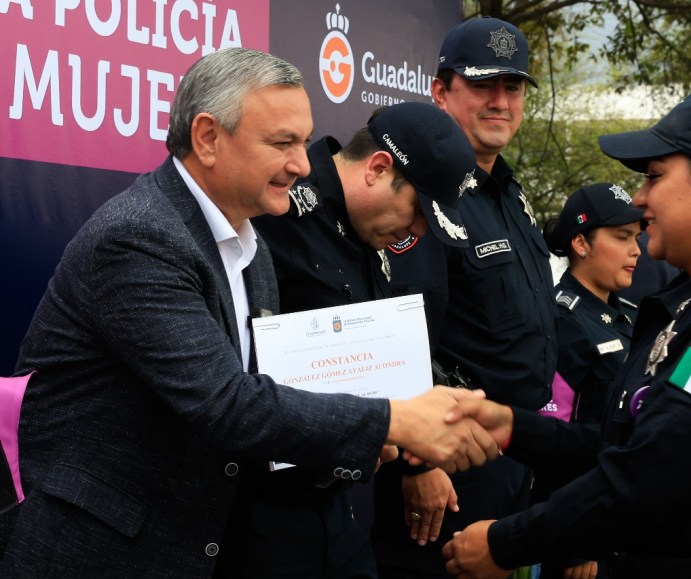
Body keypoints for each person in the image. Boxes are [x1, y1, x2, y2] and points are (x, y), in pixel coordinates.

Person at [0, 47, 501, 578]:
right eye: (282, 143)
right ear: (209, 138)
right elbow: (226, 402)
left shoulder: (249, 245)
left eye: (303, 143)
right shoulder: (139, 238)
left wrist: (359, 438)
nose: (303, 165)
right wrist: (397, 419)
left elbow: (265, 388)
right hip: (98, 553)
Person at [440, 87, 691, 578]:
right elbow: (634, 444)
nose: (639, 199)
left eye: (654, 177)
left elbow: (650, 474)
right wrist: (514, 427)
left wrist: (506, 544)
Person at [247, 101, 477, 578]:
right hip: (258, 512)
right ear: (377, 168)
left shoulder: (368, 232)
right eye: (418, 210)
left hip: (336, 502)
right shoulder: (276, 212)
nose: (416, 231)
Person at [371, 16, 558, 579]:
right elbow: (394, 335)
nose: (500, 100)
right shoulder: (422, 191)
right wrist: (416, 463)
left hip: (514, 456)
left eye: (514, 86)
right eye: (482, 85)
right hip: (446, 471)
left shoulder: (509, 193)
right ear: (440, 91)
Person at [535, 183, 644, 578]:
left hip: (622, 522)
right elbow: (552, 443)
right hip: (581, 535)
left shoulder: (630, 314)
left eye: (636, 237)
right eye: (621, 237)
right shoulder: (561, 319)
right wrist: (575, 538)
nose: (636, 249)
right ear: (580, 243)